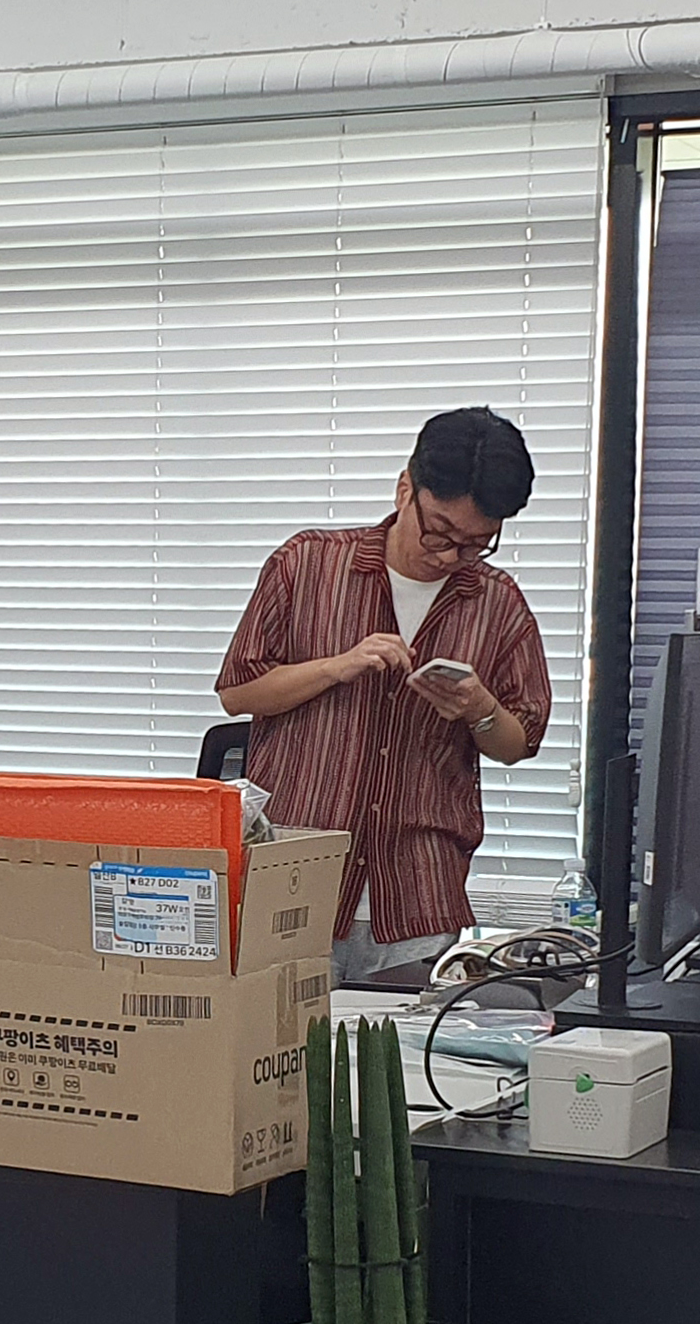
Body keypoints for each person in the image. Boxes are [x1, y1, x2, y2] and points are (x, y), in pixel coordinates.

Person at [215, 406, 553, 983]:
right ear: (404, 489)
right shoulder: (307, 565)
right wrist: (335, 667)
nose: (449, 556)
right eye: (439, 532)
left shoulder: (497, 603)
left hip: (417, 889)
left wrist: (480, 709)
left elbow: (518, 742)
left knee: (402, 1039)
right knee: (283, 1037)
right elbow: (238, 691)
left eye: (476, 544)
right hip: (297, 874)